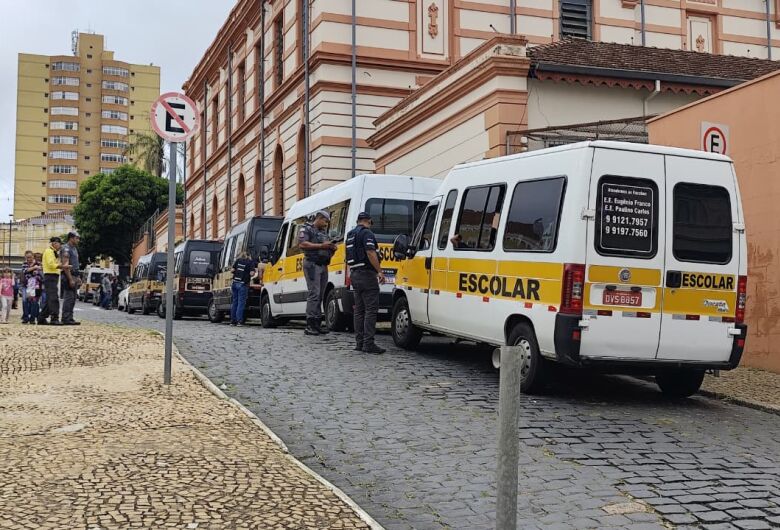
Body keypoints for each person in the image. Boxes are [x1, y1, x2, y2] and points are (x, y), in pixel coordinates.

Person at [345, 212, 386, 354]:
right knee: (371, 309)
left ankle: (359, 343)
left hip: (355, 274)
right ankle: (369, 343)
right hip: (367, 274)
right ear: (369, 221)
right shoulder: (367, 233)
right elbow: (370, 252)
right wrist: (379, 271)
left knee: (359, 310)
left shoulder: (350, 235)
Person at [299, 210, 337, 336]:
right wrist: (322, 246)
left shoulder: (323, 232)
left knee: (320, 294)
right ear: (319, 218)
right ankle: (310, 324)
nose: (326, 224)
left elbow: (325, 246)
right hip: (312, 264)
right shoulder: (306, 229)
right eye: (325, 221)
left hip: (323, 264)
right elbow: (303, 244)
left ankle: (317, 323)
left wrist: (331, 248)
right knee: (314, 294)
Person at [230, 250, 257, 326]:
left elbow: (232, 270)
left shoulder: (238, 260)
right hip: (243, 284)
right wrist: (252, 273)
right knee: (241, 303)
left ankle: (233, 321)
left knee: (235, 302)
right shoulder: (250, 262)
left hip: (235, 283)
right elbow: (252, 273)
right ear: (249, 256)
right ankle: (239, 321)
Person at [60, 231, 81, 325]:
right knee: (68, 297)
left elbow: (76, 264)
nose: (78, 240)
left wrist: (78, 277)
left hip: (75, 274)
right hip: (69, 275)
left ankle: (70, 317)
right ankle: (65, 318)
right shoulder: (66, 249)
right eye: (77, 238)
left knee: (73, 298)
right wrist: (70, 279)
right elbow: (65, 265)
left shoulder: (74, 249)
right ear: (71, 238)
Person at [41, 236, 63, 325]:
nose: (60, 246)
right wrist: (61, 266)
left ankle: (41, 318)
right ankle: (54, 318)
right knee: (53, 298)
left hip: (53, 276)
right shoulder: (49, 251)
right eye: (59, 244)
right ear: (54, 243)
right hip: (50, 276)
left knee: (50, 298)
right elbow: (51, 264)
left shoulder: (54, 252)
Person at [20, 251, 42, 324]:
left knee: (34, 302)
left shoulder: (38, 263)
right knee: (25, 301)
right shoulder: (24, 264)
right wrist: (34, 268)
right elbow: (25, 271)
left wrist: (35, 270)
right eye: (27, 257)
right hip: (26, 285)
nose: (29, 259)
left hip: (35, 286)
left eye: (30, 257)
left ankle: (32, 319)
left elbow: (40, 274)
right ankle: (26, 318)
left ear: (33, 256)